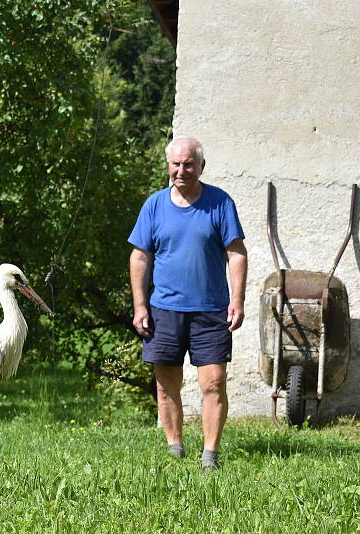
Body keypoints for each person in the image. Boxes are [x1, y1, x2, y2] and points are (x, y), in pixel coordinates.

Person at [127, 136, 247, 470]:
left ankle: (210, 455)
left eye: (189, 164)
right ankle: (175, 449)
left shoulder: (220, 203)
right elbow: (139, 258)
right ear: (168, 166)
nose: (182, 170)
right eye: (176, 164)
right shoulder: (154, 205)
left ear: (201, 166)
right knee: (166, 386)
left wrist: (237, 300)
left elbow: (236, 253)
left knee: (214, 382)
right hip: (164, 310)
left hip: (211, 310)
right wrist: (140, 305)